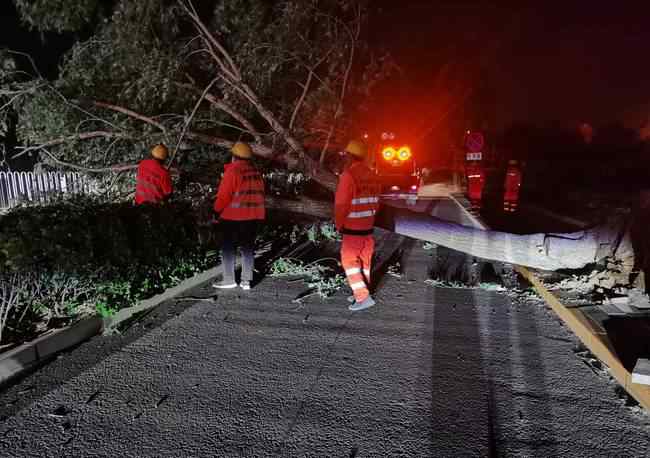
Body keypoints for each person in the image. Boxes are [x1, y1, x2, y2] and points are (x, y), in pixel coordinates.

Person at [212, 142, 265, 290]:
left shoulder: (233, 171)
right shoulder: (255, 173)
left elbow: (224, 196)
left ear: (234, 156)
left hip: (233, 217)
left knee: (228, 248)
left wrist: (216, 211)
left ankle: (229, 279)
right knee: (248, 248)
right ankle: (246, 281)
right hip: (253, 216)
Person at [335, 140, 380, 311]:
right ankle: (363, 290)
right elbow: (377, 203)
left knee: (350, 262)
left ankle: (363, 296)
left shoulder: (348, 176)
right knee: (364, 262)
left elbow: (341, 205)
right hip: (367, 228)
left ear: (349, 155)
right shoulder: (373, 175)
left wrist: (339, 225)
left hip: (353, 229)